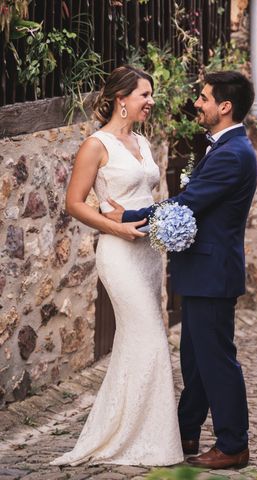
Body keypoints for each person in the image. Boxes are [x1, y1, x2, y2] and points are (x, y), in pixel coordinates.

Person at [104, 71, 257, 469]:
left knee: (216, 360)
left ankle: (233, 443)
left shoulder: (233, 154)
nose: (198, 104)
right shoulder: (225, 147)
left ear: (225, 106)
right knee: (195, 358)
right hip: (203, 271)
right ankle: (187, 429)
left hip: (213, 273)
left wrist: (131, 215)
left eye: (204, 98)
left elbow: (189, 203)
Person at [51, 65, 183, 466]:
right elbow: (74, 203)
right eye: (145, 94)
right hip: (118, 252)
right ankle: (145, 439)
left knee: (137, 339)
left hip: (147, 254)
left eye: (151, 94)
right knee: (151, 338)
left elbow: (148, 195)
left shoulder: (142, 141)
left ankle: (135, 428)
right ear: (121, 99)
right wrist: (115, 227)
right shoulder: (96, 144)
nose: (151, 101)